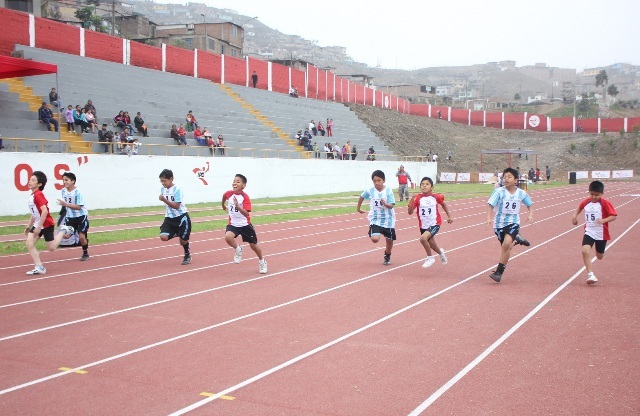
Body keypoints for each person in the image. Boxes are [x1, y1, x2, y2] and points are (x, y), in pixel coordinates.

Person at [486, 167, 534, 283]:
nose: (506, 179)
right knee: (507, 247)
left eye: (509, 177)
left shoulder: (521, 193)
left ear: (516, 180)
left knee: (506, 245)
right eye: (504, 177)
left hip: (513, 222)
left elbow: (530, 204)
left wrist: (530, 214)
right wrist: (488, 217)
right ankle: (516, 239)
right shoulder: (498, 192)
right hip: (499, 224)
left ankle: (499, 272)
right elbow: (491, 205)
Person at [24, 171, 75, 275]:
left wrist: (38, 227)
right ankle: (39, 267)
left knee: (51, 248)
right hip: (38, 223)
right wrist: (29, 226)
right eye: (30, 179)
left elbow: (44, 211)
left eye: (33, 180)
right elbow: (34, 213)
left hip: (46, 224)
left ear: (39, 184)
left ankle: (63, 230)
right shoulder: (33, 195)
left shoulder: (38, 195)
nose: (30, 181)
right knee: (29, 243)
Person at [571, 181, 617, 285]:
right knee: (585, 251)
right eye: (592, 194)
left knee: (599, 256)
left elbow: (613, 216)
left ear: (602, 194)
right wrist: (574, 216)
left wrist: (603, 220)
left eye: (597, 195)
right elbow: (580, 207)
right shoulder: (586, 202)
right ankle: (590, 275)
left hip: (601, 233)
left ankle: (600, 252)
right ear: (589, 192)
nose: (594, 197)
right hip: (589, 231)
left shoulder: (605, 203)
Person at [221, 174, 267, 274]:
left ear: (244, 185)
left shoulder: (245, 197)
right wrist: (223, 205)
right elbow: (224, 196)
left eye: (238, 181)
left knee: (254, 246)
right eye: (234, 181)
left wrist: (237, 205)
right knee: (228, 237)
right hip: (233, 224)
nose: (235, 183)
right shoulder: (229, 194)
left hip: (245, 225)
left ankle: (262, 261)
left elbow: (246, 213)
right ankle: (238, 248)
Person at [408, 176, 453, 268]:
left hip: (435, 224)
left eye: (427, 184)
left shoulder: (436, 197)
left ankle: (430, 257)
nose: (424, 186)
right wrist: (412, 201)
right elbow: (410, 212)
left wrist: (449, 216)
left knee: (423, 239)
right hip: (423, 225)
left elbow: (443, 204)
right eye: (422, 184)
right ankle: (441, 253)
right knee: (432, 244)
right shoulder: (417, 198)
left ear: (432, 187)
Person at [356, 170, 396, 265]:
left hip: (388, 219)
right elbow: (361, 197)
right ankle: (373, 230)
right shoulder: (370, 190)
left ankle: (387, 255)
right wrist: (358, 208)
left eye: (379, 180)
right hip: (375, 218)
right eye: (374, 181)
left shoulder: (388, 191)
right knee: (375, 239)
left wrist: (386, 204)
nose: (377, 183)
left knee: (389, 240)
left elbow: (392, 205)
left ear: (384, 180)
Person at [158, 169, 192, 265]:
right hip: (169, 218)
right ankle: (177, 233)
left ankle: (187, 254)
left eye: (164, 181)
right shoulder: (162, 189)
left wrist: (164, 199)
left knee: (183, 241)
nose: (163, 183)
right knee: (163, 237)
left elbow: (177, 206)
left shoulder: (178, 190)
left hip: (181, 217)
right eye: (161, 181)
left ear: (171, 179)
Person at [56, 172, 90, 261]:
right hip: (70, 217)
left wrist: (65, 204)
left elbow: (79, 207)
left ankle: (85, 252)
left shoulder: (78, 192)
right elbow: (66, 204)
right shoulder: (63, 191)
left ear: (73, 181)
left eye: (66, 180)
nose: (64, 182)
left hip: (81, 217)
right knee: (66, 236)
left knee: (81, 237)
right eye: (63, 180)